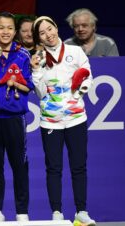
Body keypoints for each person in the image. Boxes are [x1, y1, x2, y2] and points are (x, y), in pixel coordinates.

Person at [31, 16, 96, 226]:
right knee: (54, 168)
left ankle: (81, 212)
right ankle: (57, 213)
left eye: (50, 28)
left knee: (79, 166)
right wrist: (36, 70)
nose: (48, 34)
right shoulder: (38, 58)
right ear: (38, 38)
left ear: (56, 27)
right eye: (42, 33)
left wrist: (78, 95)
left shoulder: (75, 52)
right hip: (50, 122)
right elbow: (40, 94)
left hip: (76, 118)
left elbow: (87, 75)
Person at [0, 12, 34, 222]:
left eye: (10, 28)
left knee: (19, 166)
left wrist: (14, 82)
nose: (5, 32)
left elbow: (28, 87)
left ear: (15, 31)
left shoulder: (23, 55)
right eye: (1, 28)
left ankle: (22, 212)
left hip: (14, 118)